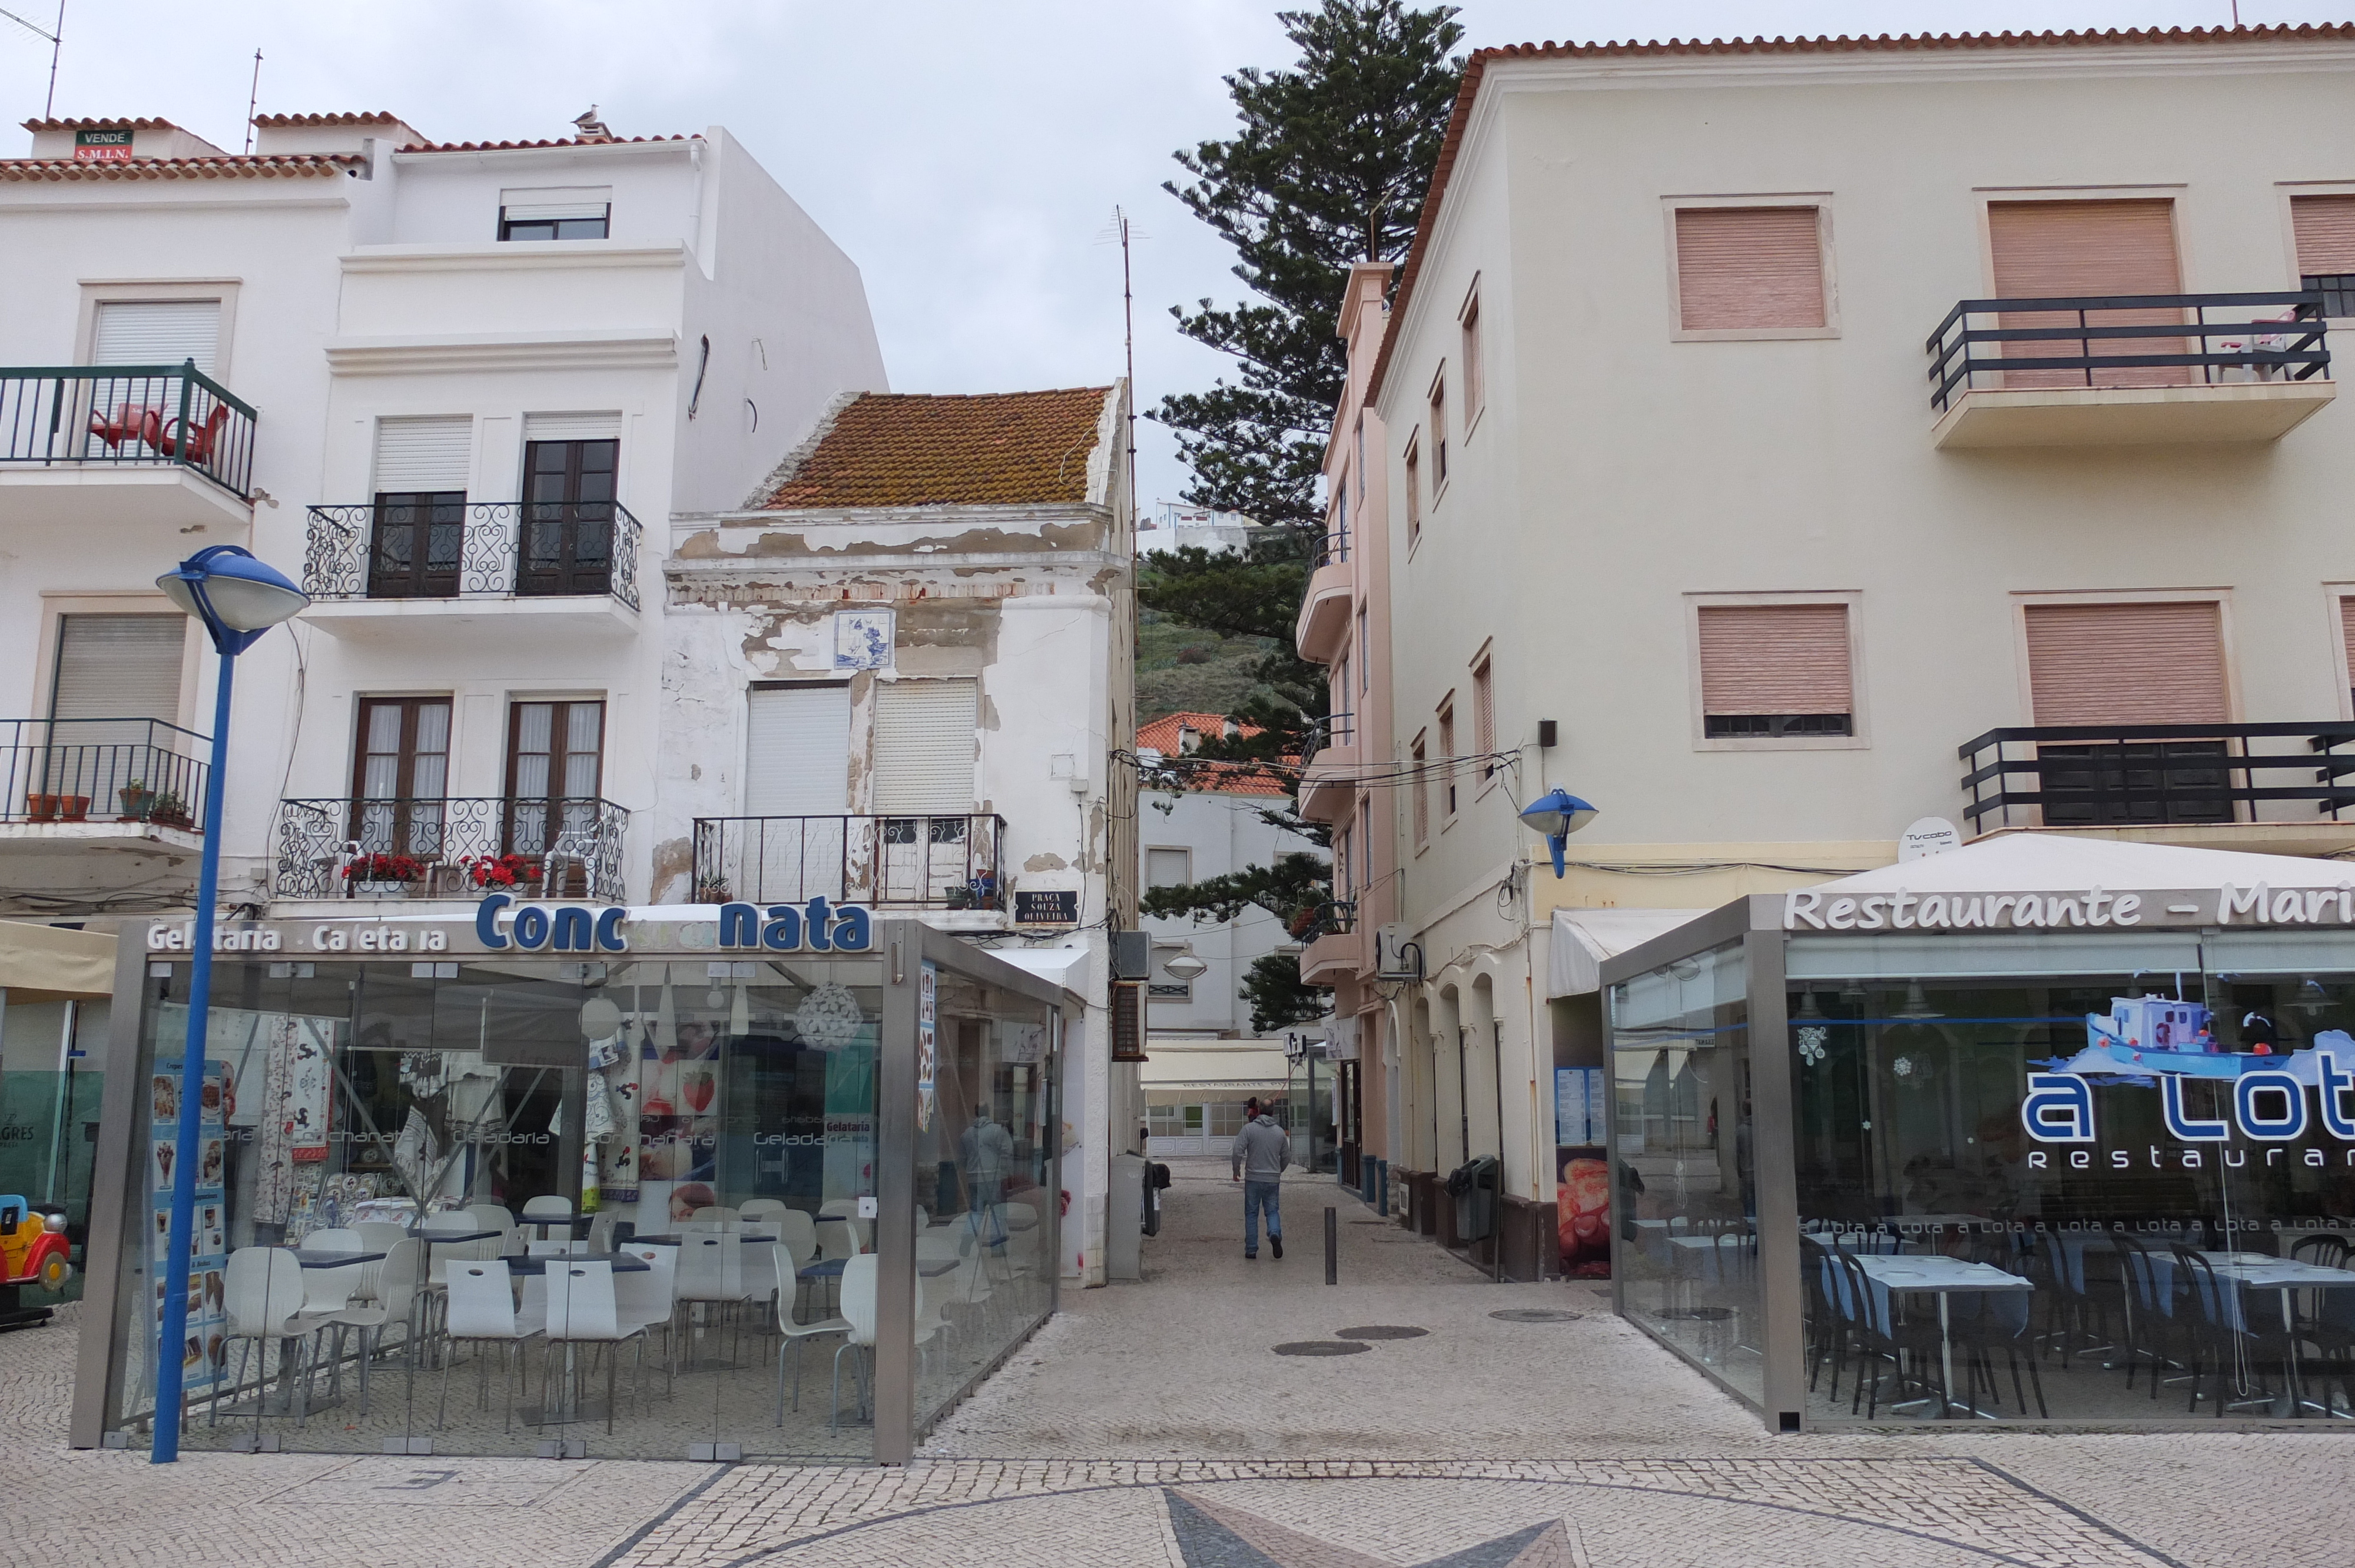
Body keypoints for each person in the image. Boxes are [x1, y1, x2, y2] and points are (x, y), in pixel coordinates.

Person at [1230, 1096, 1288, 1259]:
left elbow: (1237, 1152)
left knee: (1251, 1213)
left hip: (1253, 1178)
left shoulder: (1249, 1129)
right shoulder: (1280, 1132)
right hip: (1272, 1179)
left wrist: (1236, 1170)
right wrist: (1279, 1170)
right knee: (1272, 1211)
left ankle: (1251, 1249)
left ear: (1259, 1111)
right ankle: (1275, 1232)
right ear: (1273, 1112)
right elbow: (1286, 1156)